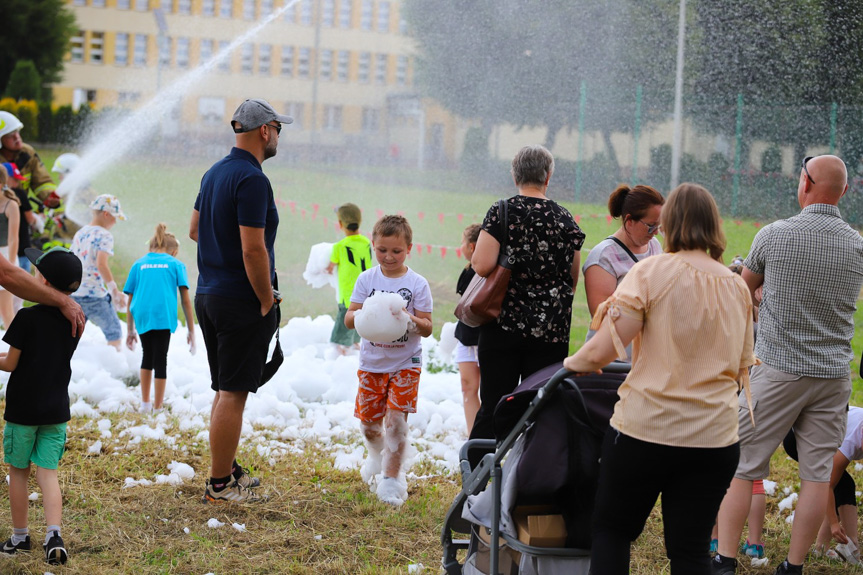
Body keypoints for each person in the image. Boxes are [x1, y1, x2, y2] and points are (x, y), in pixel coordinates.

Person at [564, 183, 756, 575]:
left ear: (670, 223)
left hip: (647, 430)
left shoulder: (650, 271)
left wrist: (567, 366)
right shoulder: (737, 287)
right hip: (714, 438)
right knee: (690, 551)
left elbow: (605, 349)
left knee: (612, 530)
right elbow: (743, 365)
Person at [712, 155, 863, 575]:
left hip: (779, 368)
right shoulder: (857, 244)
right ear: (844, 192)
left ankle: (724, 559)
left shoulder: (774, 235)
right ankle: (792, 567)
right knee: (817, 475)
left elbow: (741, 297)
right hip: (833, 376)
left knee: (742, 465)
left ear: (805, 183)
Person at [190, 98, 291, 503]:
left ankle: (226, 468)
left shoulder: (214, 172)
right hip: (240, 300)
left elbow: (196, 230)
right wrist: (266, 298)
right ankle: (220, 486)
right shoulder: (253, 180)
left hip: (209, 294)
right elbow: (254, 250)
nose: (280, 136)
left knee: (224, 388)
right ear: (265, 130)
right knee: (233, 393)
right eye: (278, 128)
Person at [468, 145, 585, 445]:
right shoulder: (565, 218)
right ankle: (532, 478)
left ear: (514, 174)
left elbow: (481, 266)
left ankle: (479, 480)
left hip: (503, 325)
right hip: (551, 331)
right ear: (548, 177)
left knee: (495, 404)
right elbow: (572, 278)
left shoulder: (502, 211)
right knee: (540, 408)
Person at [0, 246, 83, 565]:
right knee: (48, 474)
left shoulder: (26, 317)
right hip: (56, 410)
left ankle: (20, 537)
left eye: (36, 271)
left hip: (22, 411)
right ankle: (53, 535)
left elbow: (10, 364)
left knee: (18, 472)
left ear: (43, 281)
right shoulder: (75, 317)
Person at [344, 215, 433, 506]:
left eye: (396, 251)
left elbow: (429, 326)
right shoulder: (366, 279)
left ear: (409, 248)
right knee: (370, 427)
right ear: (373, 246)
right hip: (372, 364)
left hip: (406, 363)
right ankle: (377, 456)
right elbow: (349, 317)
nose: (389, 256)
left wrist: (410, 321)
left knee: (396, 422)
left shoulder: (417, 283)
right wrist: (364, 317)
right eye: (382, 250)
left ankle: (392, 481)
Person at [582, 184, 663, 360]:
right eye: (650, 226)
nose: (655, 233)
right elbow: (603, 318)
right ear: (629, 221)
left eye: (659, 226)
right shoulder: (603, 257)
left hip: (647, 358)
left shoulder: (655, 246)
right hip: (614, 360)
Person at [124, 223, 195, 413]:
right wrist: (191, 330)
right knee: (160, 358)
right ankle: (157, 407)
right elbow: (186, 301)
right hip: (163, 314)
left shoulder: (138, 264)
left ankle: (145, 404)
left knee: (147, 355)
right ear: (173, 252)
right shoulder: (176, 264)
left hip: (142, 314)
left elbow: (130, 299)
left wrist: (130, 330)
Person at [781, 409, 863, 565]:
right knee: (840, 484)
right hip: (798, 438)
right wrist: (834, 524)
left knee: (843, 484)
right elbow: (827, 486)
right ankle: (851, 546)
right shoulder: (850, 439)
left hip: (819, 432)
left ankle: (821, 548)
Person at [69, 194, 127, 350]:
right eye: (115, 218)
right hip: (95, 295)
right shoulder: (105, 235)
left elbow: (71, 260)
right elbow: (101, 264)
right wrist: (114, 290)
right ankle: (117, 366)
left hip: (75, 293)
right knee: (114, 332)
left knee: (72, 334)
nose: (115, 222)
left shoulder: (80, 233)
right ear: (106, 214)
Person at [326, 202, 371, 354]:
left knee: (345, 315)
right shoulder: (366, 242)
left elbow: (331, 266)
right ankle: (356, 342)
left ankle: (339, 345)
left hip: (347, 291)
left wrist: (328, 268)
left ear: (340, 224)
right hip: (365, 288)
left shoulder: (340, 246)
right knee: (361, 315)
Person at [0, 112, 59, 210]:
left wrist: (49, 196)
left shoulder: (27, 153)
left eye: (17, 131)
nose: (17, 137)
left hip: (22, 208)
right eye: (10, 135)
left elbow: (42, 181)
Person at [454, 223, 482, 434]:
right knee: (467, 386)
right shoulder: (467, 270)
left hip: (483, 338)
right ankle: (472, 434)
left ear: (472, 247)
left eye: (462, 242)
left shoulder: (487, 272)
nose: (460, 246)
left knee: (489, 390)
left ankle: (488, 435)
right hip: (465, 336)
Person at [0, 168, 21, 328]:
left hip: (6, 258)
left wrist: (11, 265)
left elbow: (14, 238)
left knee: (6, 310)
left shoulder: (11, 205)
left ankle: (16, 351)